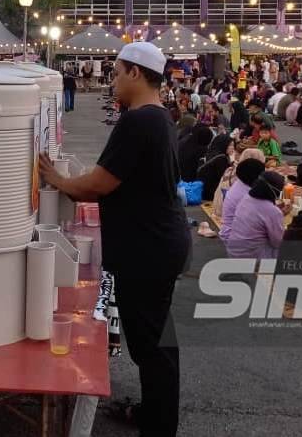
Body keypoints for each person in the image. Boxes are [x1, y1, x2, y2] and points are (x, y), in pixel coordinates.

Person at [37, 41, 190, 436]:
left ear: (136, 73)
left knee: (151, 344)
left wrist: (59, 181)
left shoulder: (138, 121)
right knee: (156, 336)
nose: (113, 80)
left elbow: (100, 183)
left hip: (148, 247)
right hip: (159, 241)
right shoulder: (159, 117)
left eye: (117, 72)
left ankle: (158, 425)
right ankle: (154, 411)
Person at [226, 171, 288, 260]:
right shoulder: (272, 211)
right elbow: (277, 242)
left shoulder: (246, 198)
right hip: (251, 257)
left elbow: (260, 215)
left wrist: (279, 212)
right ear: (274, 191)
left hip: (233, 251)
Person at [219, 158, 266, 242]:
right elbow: (261, 219)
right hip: (236, 237)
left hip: (230, 231)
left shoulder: (240, 183)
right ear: (256, 176)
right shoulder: (247, 195)